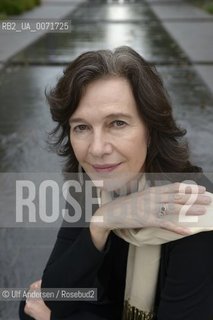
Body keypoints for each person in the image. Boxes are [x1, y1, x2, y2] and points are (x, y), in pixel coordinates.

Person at [19, 46, 213, 320]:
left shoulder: (194, 215)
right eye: (82, 127)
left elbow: (49, 311)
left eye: (118, 123)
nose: (97, 149)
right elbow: (45, 301)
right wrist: (101, 223)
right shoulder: (93, 187)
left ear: (151, 129)